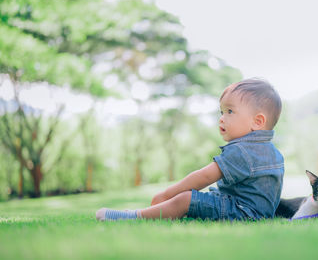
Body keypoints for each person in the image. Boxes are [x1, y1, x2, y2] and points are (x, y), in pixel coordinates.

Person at [96, 78, 284, 221]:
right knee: (205, 198)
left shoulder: (243, 150)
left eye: (230, 111)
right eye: (221, 111)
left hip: (243, 213)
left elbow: (203, 177)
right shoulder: (274, 153)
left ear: (257, 122)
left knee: (186, 199)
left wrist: (167, 194)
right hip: (255, 212)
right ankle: (152, 212)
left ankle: (135, 216)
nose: (221, 118)